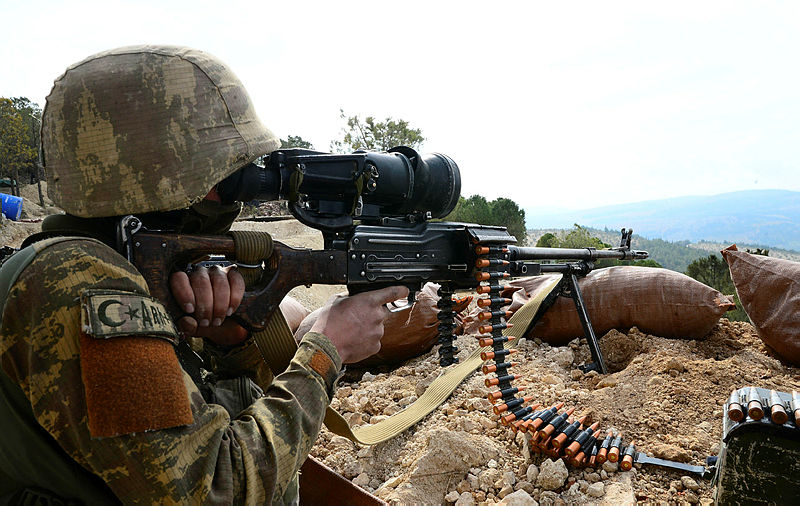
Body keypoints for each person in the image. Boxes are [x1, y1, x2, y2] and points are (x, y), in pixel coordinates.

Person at [0, 45, 406, 504]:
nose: (236, 193)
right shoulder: (78, 282)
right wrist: (326, 351)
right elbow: (215, 490)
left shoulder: (97, 269)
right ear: (162, 175)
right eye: (224, 174)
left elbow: (209, 439)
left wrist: (232, 345)